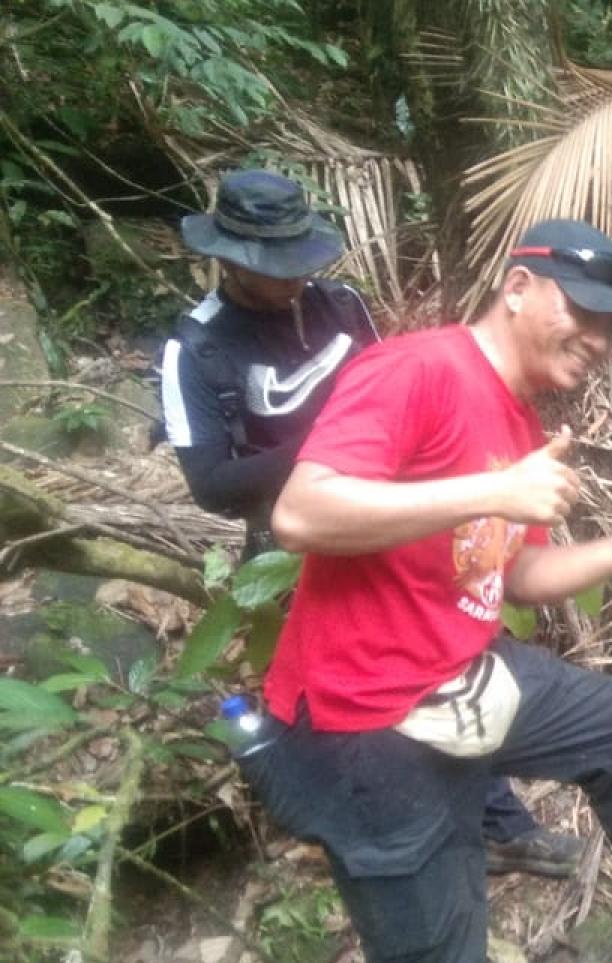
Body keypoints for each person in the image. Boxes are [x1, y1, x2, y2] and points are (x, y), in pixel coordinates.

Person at [243, 218, 612, 963]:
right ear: (517, 288)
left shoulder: (517, 423)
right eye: (582, 313)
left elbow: (512, 580)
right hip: (361, 728)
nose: (597, 341)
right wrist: (492, 487)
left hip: (460, 673)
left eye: (611, 328)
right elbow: (301, 513)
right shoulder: (420, 369)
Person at [158, 168, 580, 879]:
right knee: (344, 691)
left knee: (447, 654)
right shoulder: (195, 349)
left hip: (406, 510)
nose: (290, 283)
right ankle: (351, 827)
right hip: (293, 531)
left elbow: (400, 387)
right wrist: (322, 454)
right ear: (227, 259)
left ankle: (499, 822)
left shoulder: (342, 306)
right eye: (271, 271)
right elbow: (210, 483)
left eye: (298, 265)